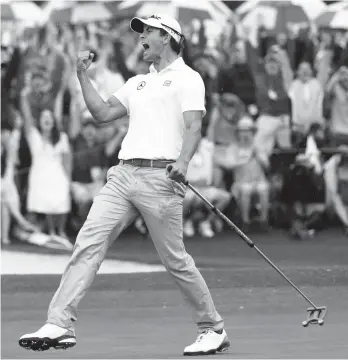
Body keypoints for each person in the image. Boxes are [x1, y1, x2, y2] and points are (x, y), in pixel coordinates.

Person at [19, 15, 229, 356]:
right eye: (141, 31)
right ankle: (59, 322)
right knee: (88, 242)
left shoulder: (189, 79)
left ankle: (212, 328)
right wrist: (82, 75)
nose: (141, 37)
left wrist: (184, 162)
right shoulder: (137, 83)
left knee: (175, 260)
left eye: (147, 31)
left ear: (167, 37)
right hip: (122, 175)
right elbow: (101, 113)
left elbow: (194, 127)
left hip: (162, 179)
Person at [20, 86, 72, 239]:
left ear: (54, 121)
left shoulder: (61, 137)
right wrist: (24, 98)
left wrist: (68, 179)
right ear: (40, 122)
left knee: (61, 199)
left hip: (58, 173)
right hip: (39, 174)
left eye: (49, 118)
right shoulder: (34, 136)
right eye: (44, 118)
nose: (47, 120)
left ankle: (60, 230)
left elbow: (66, 161)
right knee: (47, 203)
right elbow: (27, 118)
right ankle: (51, 231)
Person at [216, 117, 270, 232]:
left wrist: (258, 155)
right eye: (242, 131)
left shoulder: (258, 147)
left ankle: (263, 221)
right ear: (238, 133)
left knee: (263, 188)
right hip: (241, 182)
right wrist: (244, 159)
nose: (245, 134)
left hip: (258, 180)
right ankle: (245, 222)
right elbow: (228, 165)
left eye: (248, 131)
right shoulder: (233, 148)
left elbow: (267, 166)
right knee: (246, 189)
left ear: (252, 132)